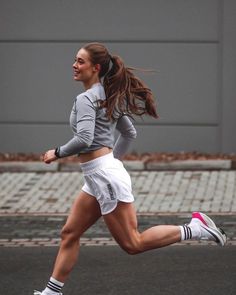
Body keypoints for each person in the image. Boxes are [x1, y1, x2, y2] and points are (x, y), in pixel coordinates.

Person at [34, 42, 227, 295]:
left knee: (133, 243)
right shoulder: (106, 95)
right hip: (99, 175)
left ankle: (197, 229)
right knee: (69, 232)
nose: (74, 65)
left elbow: (83, 138)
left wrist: (55, 153)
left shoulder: (86, 99)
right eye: (75, 60)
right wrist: (114, 162)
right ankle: (51, 292)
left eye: (80, 61)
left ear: (96, 67)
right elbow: (129, 132)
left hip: (103, 176)